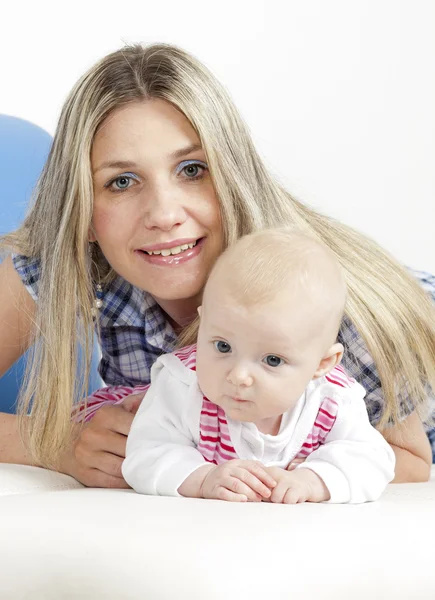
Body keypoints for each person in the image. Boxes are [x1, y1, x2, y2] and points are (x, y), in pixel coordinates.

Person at [0, 43, 433, 488]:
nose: (164, 214)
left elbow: (411, 460)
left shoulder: (335, 307)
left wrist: (262, 470)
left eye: (191, 169)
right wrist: (54, 444)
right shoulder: (69, 265)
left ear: (233, 175)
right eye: (122, 182)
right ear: (84, 212)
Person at [123, 229, 396, 504]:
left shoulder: (332, 399)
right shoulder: (181, 384)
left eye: (272, 360)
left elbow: (373, 460)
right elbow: (145, 452)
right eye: (222, 346)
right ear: (203, 323)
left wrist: (313, 479)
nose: (239, 376)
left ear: (322, 364)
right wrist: (203, 478)